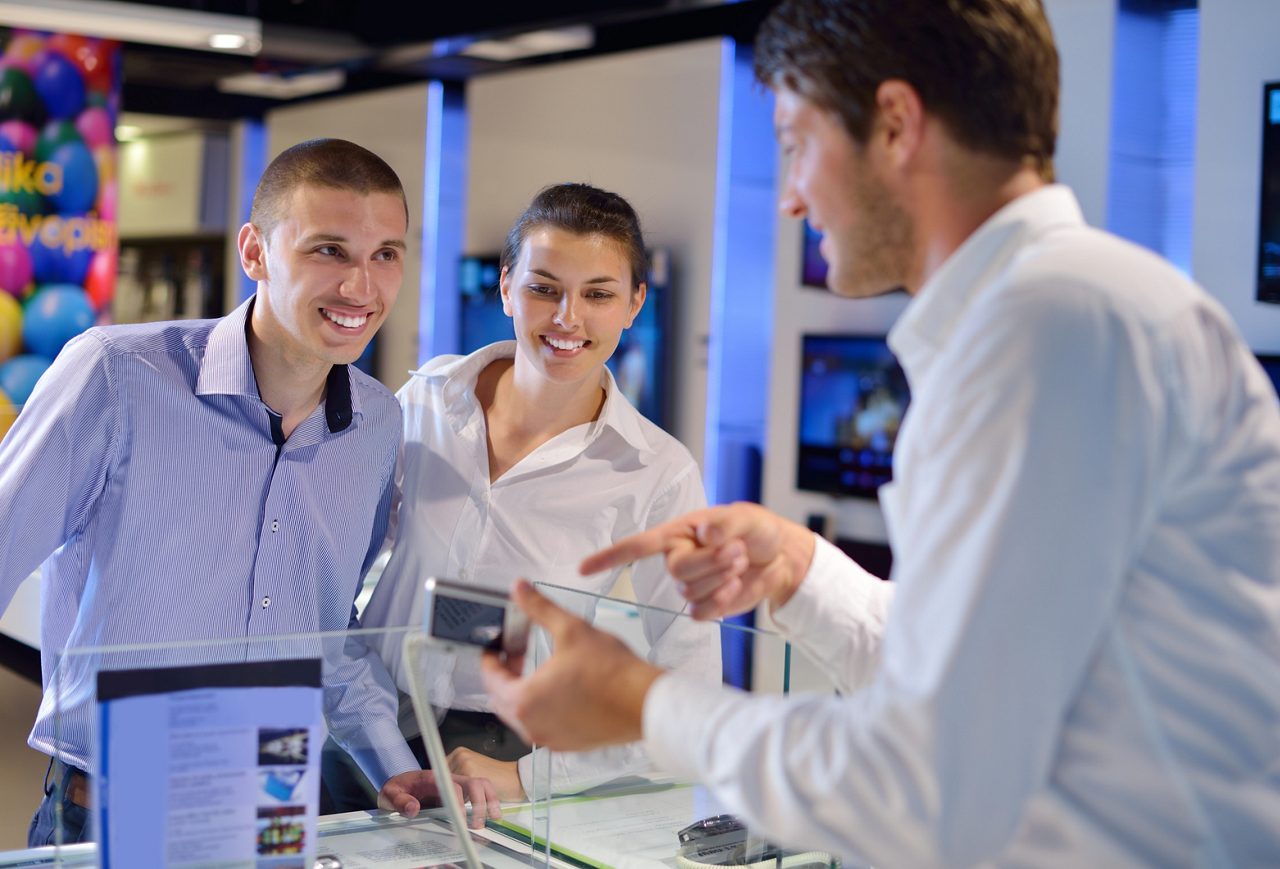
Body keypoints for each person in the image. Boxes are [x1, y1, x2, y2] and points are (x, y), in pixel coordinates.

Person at [480, 1, 1280, 865]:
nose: (787, 197)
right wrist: (802, 569)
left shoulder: (1048, 328)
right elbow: (982, 681)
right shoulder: (1050, 313)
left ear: (895, 124)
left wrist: (644, 705)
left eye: (795, 143)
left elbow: (929, 777)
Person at [0, 138, 496, 846]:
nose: (362, 287)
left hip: (272, 799)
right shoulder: (116, 377)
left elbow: (328, 632)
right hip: (116, 806)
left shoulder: (377, 421)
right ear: (255, 252)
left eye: (386, 253)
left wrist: (390, 763)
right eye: (329, 250)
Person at [344, 183, 720, 806]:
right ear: (505, 288)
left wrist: (527, 778)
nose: (567, 318)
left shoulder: (657, 470)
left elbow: (692, 686)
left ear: (634, 304)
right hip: (368, 723)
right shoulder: (426, 401)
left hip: (504, 753)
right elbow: (336, 570)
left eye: (598, 294)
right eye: (544, 288)